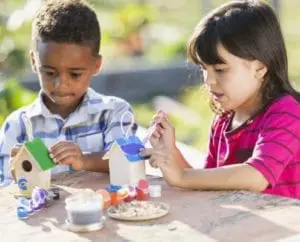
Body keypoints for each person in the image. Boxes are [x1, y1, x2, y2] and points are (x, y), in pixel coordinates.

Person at [140, 0, 300, 199]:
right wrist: (171, 153)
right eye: (203, 69)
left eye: (220, 70)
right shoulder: (223, 121)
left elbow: (257, 176)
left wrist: (181, 176)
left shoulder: (286, 113)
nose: (208, 80)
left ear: (260, 68)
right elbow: (206, 181)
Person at [0, 0, 135, 186]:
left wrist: (84, 161)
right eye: (49, 72)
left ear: (97, 65)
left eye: (75, 74)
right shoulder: (18, 125)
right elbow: (5, 189)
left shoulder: (114, 113)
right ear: (34, 61)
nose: (61, 84)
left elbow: (128, 161)